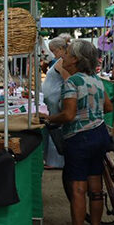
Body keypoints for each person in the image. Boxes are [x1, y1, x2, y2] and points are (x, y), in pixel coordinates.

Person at [42, 40, 114, 225]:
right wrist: (92, 110)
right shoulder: (96, 80)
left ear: (76, 59)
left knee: (78, 190)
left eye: (67, 54)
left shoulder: (72, 82)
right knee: (96, 189)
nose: (62, 58)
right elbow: (108, 106)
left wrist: (49, 118)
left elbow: (68, 115)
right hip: (100, 135)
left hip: (79, 138)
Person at [42, 34, 71, 169]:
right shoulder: (60, 60)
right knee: (53, 127)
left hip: (55, 99)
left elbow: (68, 80)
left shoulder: (62, 62)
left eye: (54, 51)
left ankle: (56, 161)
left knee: (55, 128)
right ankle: (53, 160)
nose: (52, 54)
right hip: (52, 99)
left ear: (60, 49)